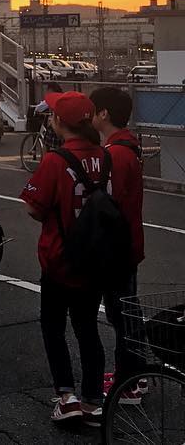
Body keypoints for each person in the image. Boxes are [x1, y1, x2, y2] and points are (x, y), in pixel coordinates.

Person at [20, 91, 107, 425]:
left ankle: (66, 395)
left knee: (54, 326)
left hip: (60, 257)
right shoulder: (106, 156)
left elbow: (33, 207)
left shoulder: (56, 160)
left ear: (59, 121)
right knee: (88, 328)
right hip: (96, 257)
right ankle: (93, 400)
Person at [90, 87, 145, 398]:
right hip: (129, 241)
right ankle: (134, 373)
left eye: (93, 109)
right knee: (127, 310)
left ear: (104, 114)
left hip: (116, 246)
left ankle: (131, 379)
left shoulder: (115, 153)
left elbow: (107, 203)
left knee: (122, 313)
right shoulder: (128, 146)